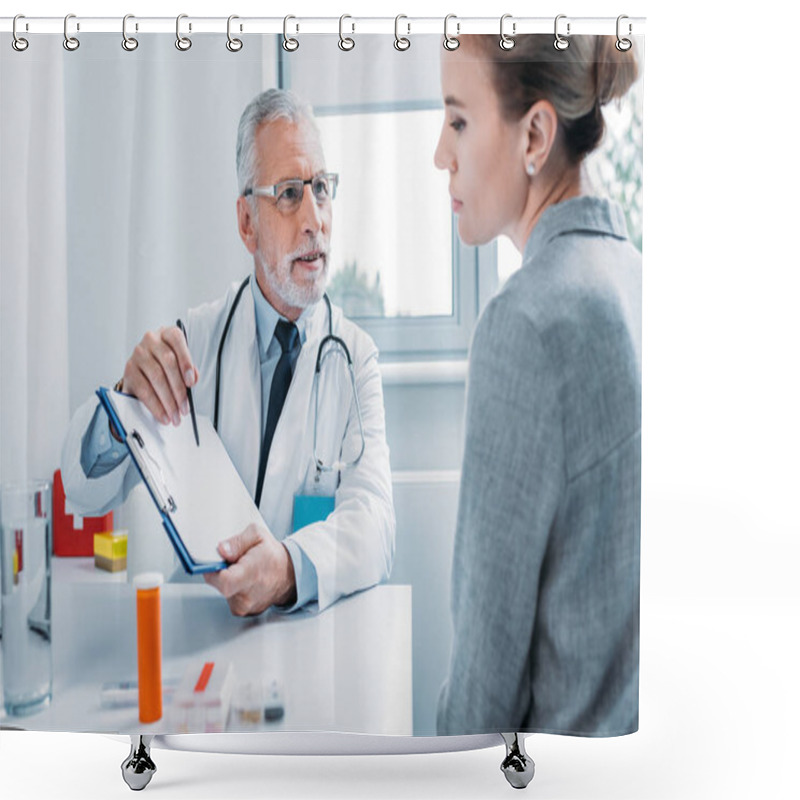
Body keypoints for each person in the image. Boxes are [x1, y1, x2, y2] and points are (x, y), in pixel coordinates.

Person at [60, 89, 395, 617]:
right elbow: (83, 492)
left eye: (322, 189)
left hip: (306, 636)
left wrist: (286, 569)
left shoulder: (355, 359)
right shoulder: (193, 342)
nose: (315, 219)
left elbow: (374, 525)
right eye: (288, 193)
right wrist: (123, 403)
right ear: (246, 223)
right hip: (201, 631)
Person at [434, 36, 641, 736]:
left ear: (535, 135)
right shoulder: (634, 280)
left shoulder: (527, 324)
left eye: (459, 121)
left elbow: (482, 693)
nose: (441, 154)